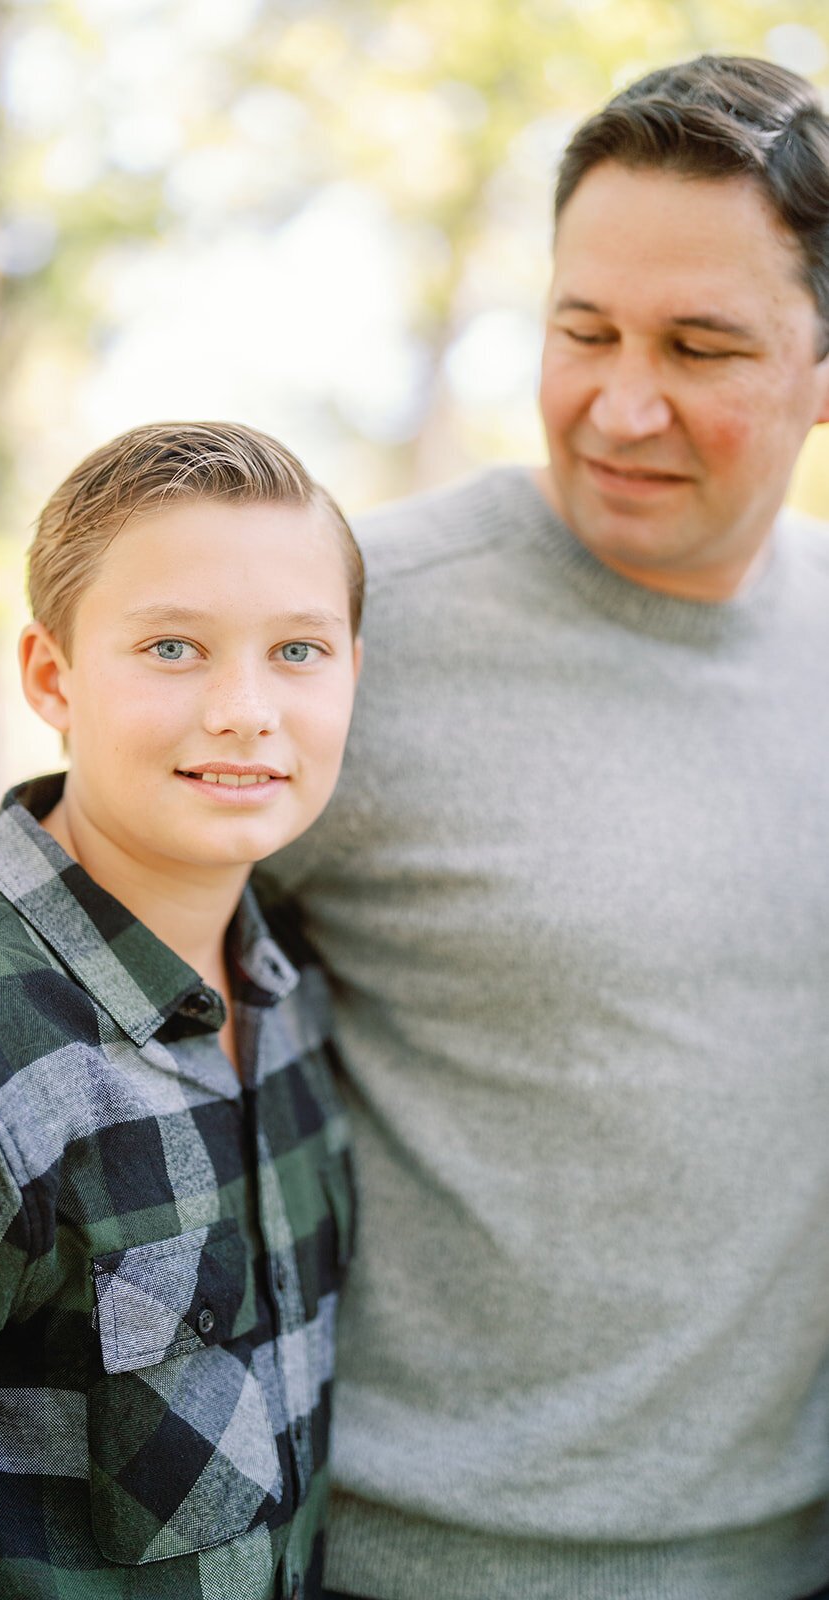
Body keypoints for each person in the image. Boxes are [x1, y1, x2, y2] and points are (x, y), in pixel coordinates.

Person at [254, 55, 829, 1600]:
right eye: (580, 332)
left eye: (699, 346)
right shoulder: (344, 630)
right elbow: (26, 995)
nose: (618, 403)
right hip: (401, 1566)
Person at [0, 421, 363, 1600]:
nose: (245, 708)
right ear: (52, 677)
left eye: (298, 650)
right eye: (173, 647)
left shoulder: (294, 991)